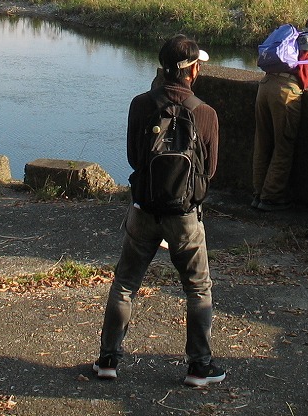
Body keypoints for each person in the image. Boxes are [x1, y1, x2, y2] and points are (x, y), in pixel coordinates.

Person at [94, 35, 226, 388]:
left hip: (144, 209)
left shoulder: (140, 105)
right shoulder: (206, 113)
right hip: (184, 215)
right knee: (198, 288)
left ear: (161, 68)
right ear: (193, 70)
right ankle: (199, 366)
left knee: (125, 283)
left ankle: (108, 360)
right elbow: (210, 171)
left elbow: (134, 159)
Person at [252, 14, 308, 212]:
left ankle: (257, 193)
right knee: (283, 144)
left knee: (262, 142)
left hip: (265, 85)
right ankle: (271, 197)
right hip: (286, 92)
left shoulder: (292, 37)